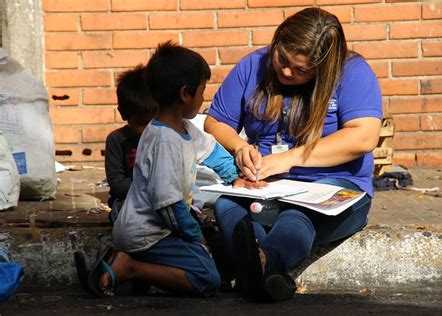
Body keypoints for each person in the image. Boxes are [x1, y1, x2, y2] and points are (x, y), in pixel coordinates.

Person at [204, 7, 382, 302]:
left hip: (334, 188)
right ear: (277, 42)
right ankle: (268, 275)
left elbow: (364, 136)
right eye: (282, 60)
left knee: (298, 217)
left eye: (301, 70)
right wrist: (240, 148)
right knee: (226, 206)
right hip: (264, 187)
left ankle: (262, 265)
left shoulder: (352, 72)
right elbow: (216, 122)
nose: (286, 72)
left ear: (324, 68)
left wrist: (288, 159)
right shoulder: (253, 65)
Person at [87, 42, 263, 298]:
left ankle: (129, 266)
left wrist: (236, 177)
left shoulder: (183, 128)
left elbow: (211, 152)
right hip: (147, 232)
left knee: (215, 253)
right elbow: (168, 205)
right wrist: (195, 239)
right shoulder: (164, 142)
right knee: (207, 279)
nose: (204, 98)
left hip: (162, 226)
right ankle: (129, 266)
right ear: (185, 94)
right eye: (202, 92)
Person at [105, 65, 158, 224]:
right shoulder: (117, 140)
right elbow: (116, 181)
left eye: (151, 122)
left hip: (161, 200)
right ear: (122, 113)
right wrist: (148, 191)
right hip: (127, 201)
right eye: (140, 123)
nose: (145, 130)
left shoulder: (163, 138)